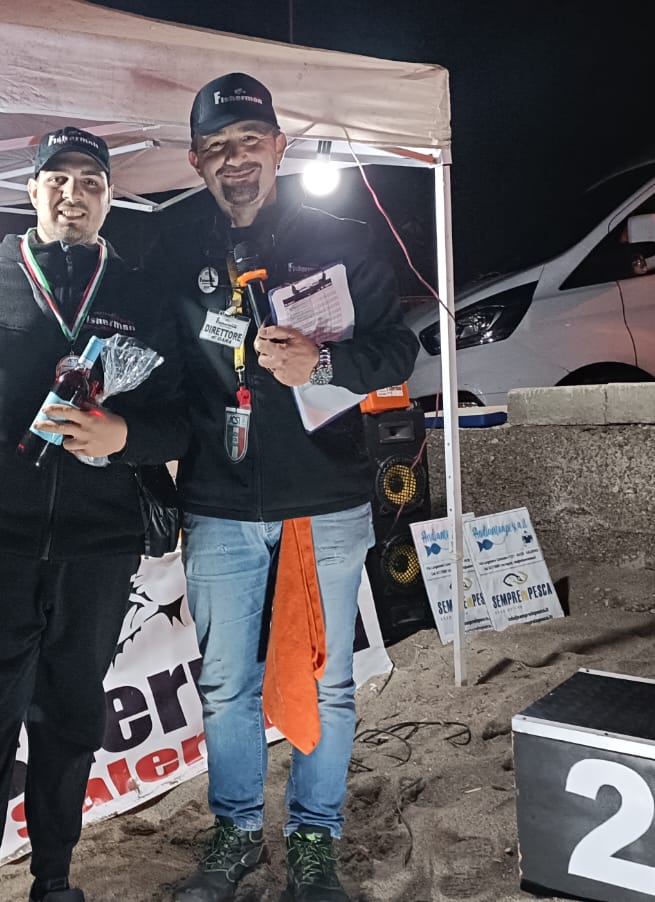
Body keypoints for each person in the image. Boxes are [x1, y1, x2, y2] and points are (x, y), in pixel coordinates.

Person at [0, 126, 188, 902]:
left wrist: (125, 437)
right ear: (31, 191)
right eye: (57, 179)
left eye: (91, 182)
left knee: (71, 717)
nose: (73, 194)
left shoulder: (140, 297)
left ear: (110, 199)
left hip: (99, 545)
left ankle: (54, 878)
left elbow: (179, 417)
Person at [163, 73, 420, 902]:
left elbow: (400, 349)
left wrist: (327, 363)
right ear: (196, 160)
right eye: (216, 147)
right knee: (225, 684)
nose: (235, 160)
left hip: (325, 499)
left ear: (278, 146)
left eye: (249, 141)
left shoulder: (340, 238)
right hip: (218, 503)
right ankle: (237, 834)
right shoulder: (174, 248)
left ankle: (315, 841)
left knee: (329, 681)